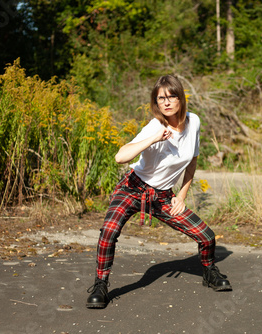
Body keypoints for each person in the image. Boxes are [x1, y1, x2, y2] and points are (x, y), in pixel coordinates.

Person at [86, 75, 232, 309]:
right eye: (160, 98)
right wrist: (154, 138)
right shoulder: (155, 126)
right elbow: (120, 157)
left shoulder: (194, 121)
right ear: (156, 102)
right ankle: (100, 285)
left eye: (171, 96)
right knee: (109, 231)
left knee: (207, 236)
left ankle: (209, 272)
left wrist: (181, 196)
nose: (166, 102)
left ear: (180, 97)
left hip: (163, 196)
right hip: (133, 188)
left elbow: (192, 159)